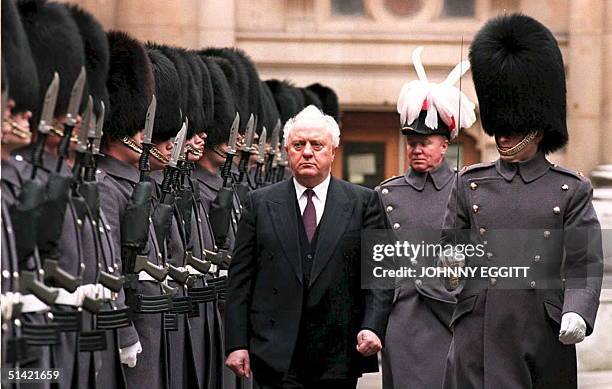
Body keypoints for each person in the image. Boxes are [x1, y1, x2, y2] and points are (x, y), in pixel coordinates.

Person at [441, 14, 603, 389]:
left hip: (539, 333)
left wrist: (577, 311)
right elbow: (451, 246)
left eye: (514, 128)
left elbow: (585, 261)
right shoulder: (470, 183)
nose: (503, 135)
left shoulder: (570, 189)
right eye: (500, 127)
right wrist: (449, 265)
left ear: (537, 126)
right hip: (477, 329)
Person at [225, 105, 393, 388]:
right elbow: (241, 278)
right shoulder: (259, 204)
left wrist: (373, 326)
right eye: (298, 145)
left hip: (338, 354)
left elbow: (381, 272)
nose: (307, 152)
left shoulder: (364, 203)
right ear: (287, 150)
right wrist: (236, 343)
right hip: (274, 354)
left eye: (317, 145)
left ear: (333, 151)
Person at [378, 46, 476, 389]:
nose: (416, 150)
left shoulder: (469, 189)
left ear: (445, 143)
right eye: (411, 143)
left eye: (426, 142)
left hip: (455, 318)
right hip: (405, 321)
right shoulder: (388, 195)